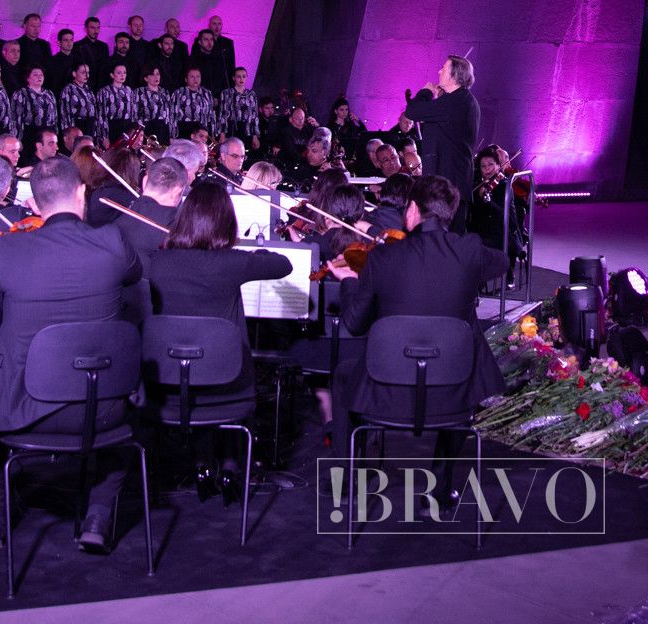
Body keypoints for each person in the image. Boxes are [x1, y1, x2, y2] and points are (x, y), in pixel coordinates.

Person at [0, 156, 145, 552]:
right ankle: (98, 514)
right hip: (101, 407)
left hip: (20, 408)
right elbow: (134, 276)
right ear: (82, 193)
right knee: (138, 411)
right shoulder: (113, 240)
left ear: (34, 204)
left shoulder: (8, 248)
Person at [329, 175, 506, 480]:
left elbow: (355, 324)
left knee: (344, 373)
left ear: (412, 209)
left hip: (387, 391)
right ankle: (441, 482)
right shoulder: (469, 250)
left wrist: (349, 283)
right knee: (467, 348)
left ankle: (348, 478)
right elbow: (501, 262)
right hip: (453, 391)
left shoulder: (382, 256)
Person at [140, 179, 288, 502]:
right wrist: (256, 250)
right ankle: (230, 465)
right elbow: (283, 264)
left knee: (200, 370)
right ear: (226, 222)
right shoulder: (234, 262)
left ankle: (202, 463)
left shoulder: (158, 262)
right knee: (226, 364)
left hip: (171, 384)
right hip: (228, 382)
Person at [399, 56, 478, 220]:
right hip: (448, 182)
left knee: (444, 232)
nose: (439, 71)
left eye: (443, 68)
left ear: (454, 75)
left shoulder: (456, 101)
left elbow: (412, 111)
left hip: (448, 184)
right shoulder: (459, 100)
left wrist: (426, 92)